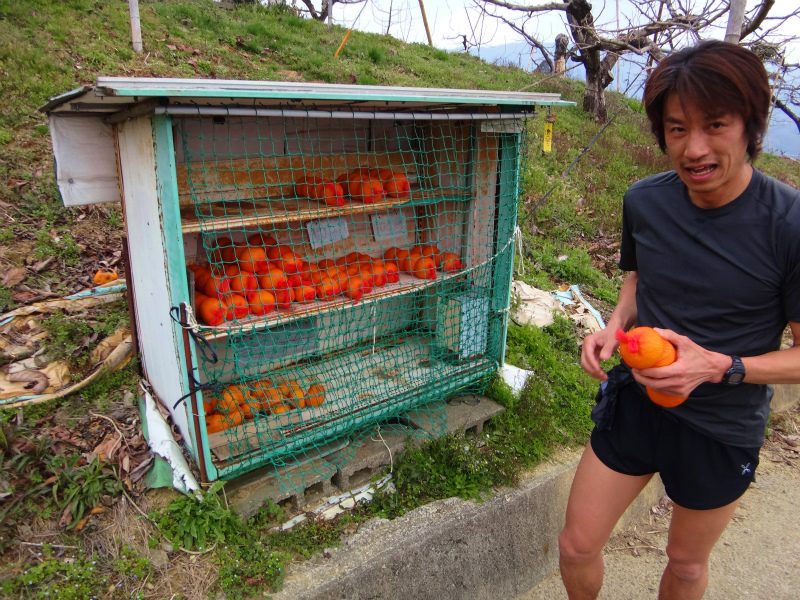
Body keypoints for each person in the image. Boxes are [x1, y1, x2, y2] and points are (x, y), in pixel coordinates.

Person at [557, 40, 800, 600]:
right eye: (676, 129)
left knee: (686, 566)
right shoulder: (645, 200)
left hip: (722, 424)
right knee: (576, 544)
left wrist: (718, 366)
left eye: (715, 124)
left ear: (750, 126)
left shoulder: (787, 225)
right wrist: (613, 325)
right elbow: (639, 280)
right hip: (638, 401)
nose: (694, 149)